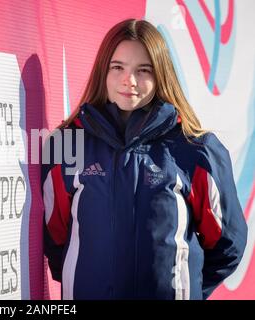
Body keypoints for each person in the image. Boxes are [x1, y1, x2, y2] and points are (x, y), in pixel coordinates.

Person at [42, 18, 247, 300]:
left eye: (144, 70)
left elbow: (227, 245)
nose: (130, 81)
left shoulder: (197, 150)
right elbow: (54, 239)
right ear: (104, 71)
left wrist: (184, 288)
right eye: (118, 68)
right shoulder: (66, 144)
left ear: (161, 74)